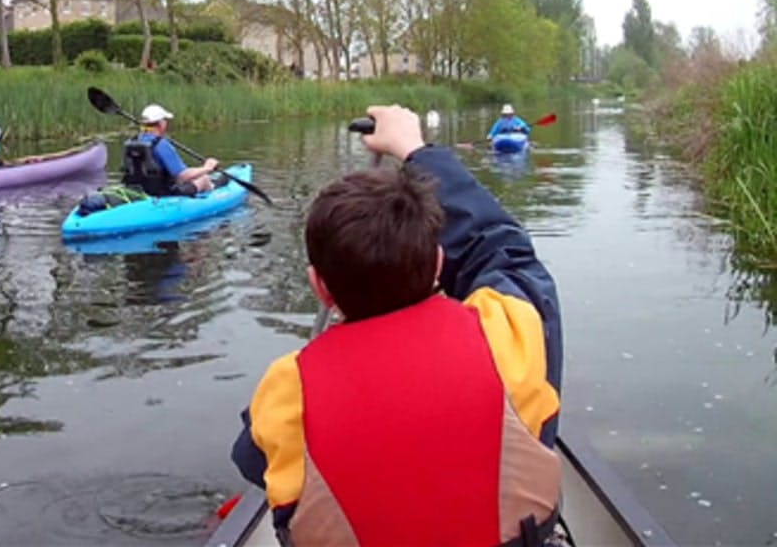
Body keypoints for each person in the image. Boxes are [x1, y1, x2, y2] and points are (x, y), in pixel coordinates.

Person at [231, 104, 563, 546]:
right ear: (438, 263)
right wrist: (414, 149)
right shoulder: (504, 331)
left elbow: (251, 462)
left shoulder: (286, 388)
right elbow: (502, 248)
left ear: (319, 287)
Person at [121, 104, 219, 196]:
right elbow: (183, 176)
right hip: (164, 192)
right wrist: (207, 168)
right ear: (161, 124)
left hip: (138, 191)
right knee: (204, 178)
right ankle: (214, 196)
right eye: (165, 120)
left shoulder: (132, 141)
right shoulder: (161, 144)